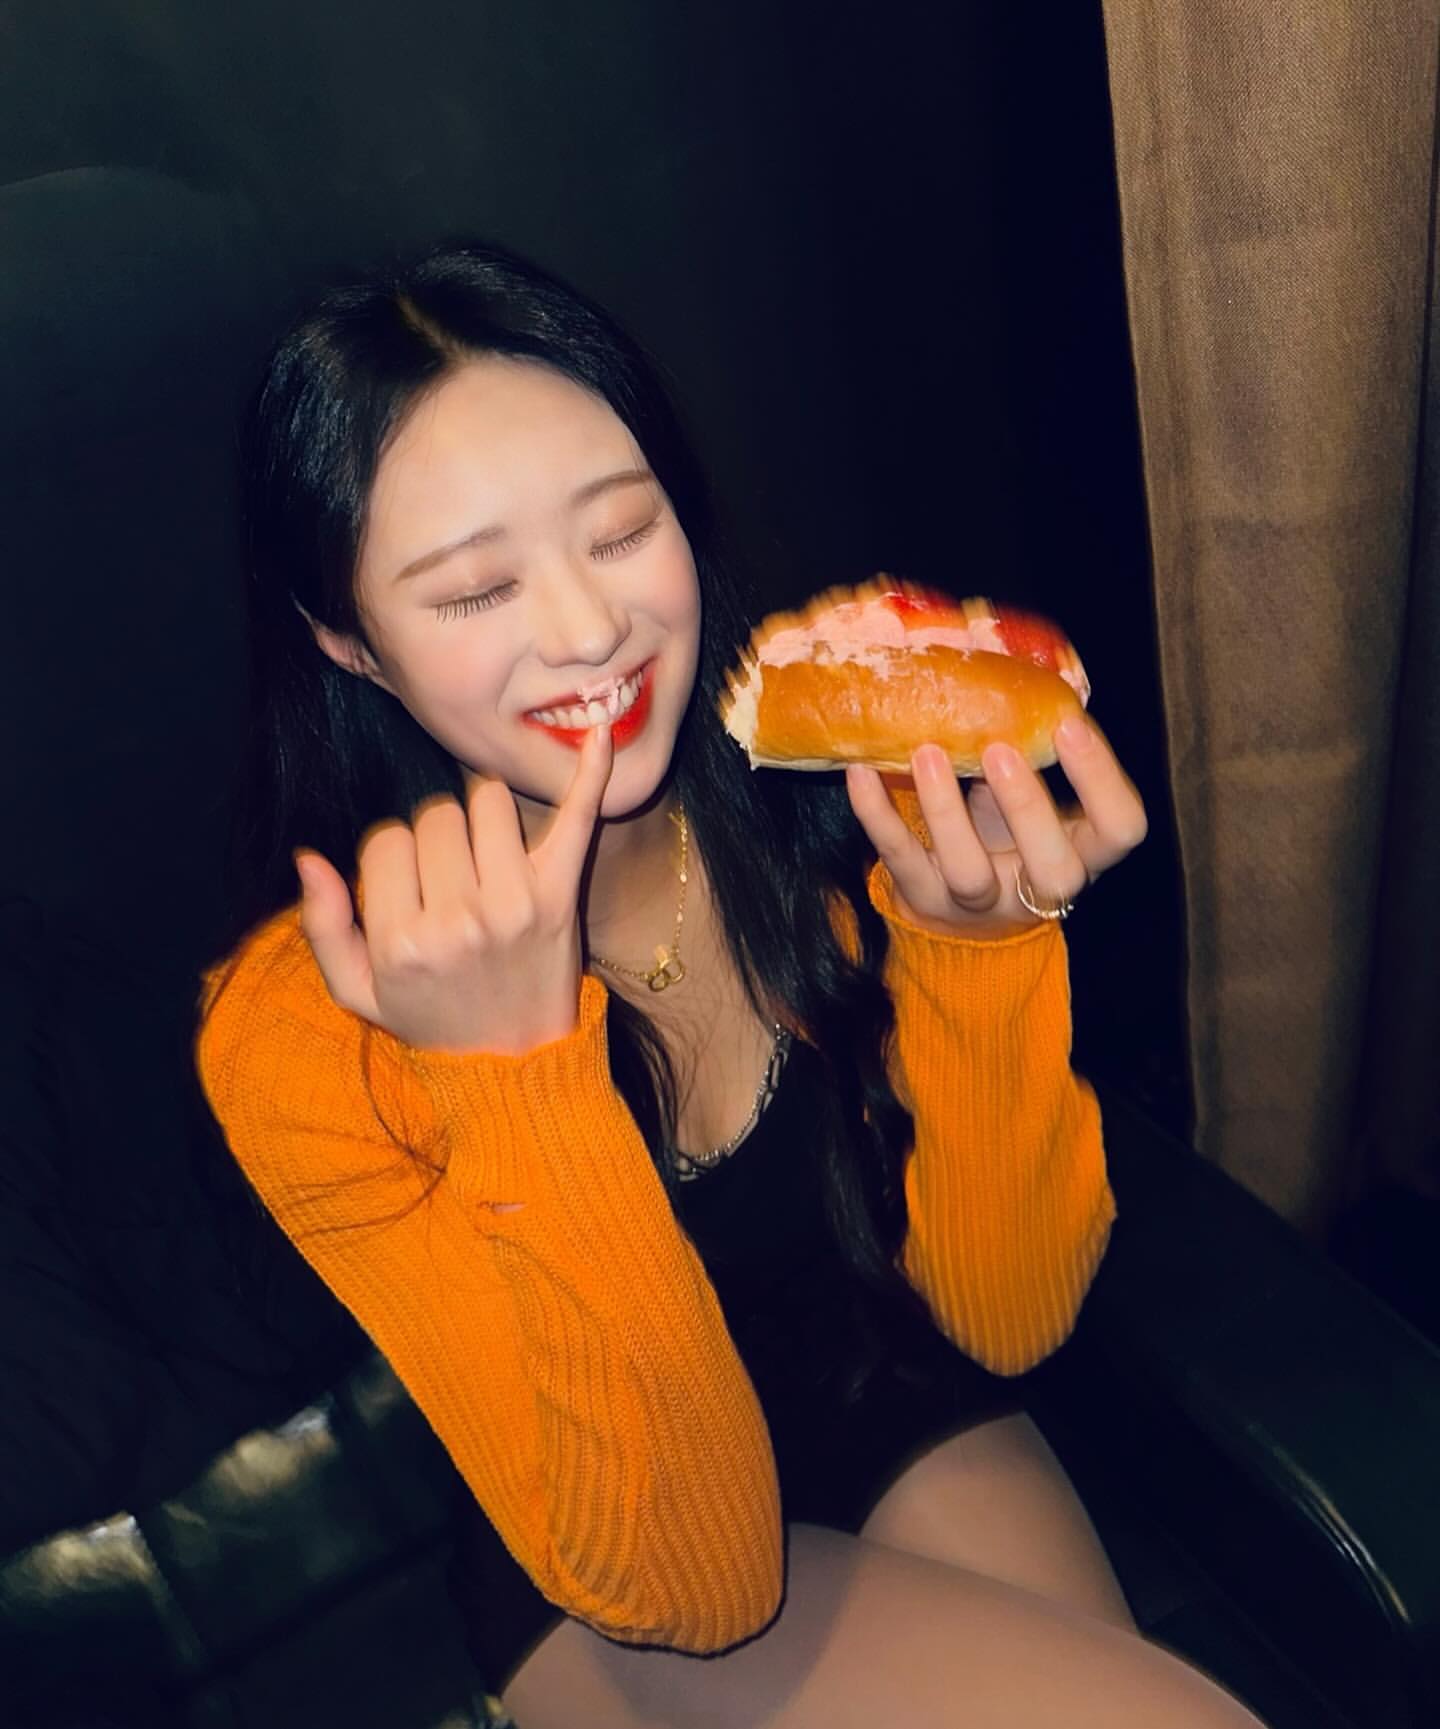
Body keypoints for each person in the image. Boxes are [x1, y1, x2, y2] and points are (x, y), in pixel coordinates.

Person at [193, 239, 1265, 1727]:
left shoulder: (838, 783)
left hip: (873, 1390)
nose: (590, 630)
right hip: (608, 1529)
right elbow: (695, 1583)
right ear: (349, 644)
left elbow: (1008, 1320)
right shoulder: (308, 1031)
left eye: (622, 530)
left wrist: (983, 946)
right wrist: (514, 1081)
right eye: (477, 589)